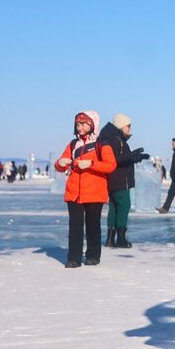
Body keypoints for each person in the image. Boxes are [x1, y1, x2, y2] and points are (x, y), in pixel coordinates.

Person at [55, 110, 116, 268]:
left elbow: (111, 165)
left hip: (94, 192)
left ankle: (93, 255)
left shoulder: (101, 144)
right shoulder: (73, 144)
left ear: (92, 125)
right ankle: (73, 258)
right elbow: (60, 165)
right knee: (75, 225)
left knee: (92, 225)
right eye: (77, 124)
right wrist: (60, 163)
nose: (79, 127)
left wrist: (91, 164)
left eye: (83, 124)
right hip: (74, 192)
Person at [99, 113, 149, 249]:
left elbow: (121, 158)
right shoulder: (116, 140)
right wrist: (132, 155)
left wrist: (136, 157)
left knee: (114, 207)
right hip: (120, 180)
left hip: (113, 179)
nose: (130, 129)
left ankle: (110, 238)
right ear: (121, 125)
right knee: (124, 206)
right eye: (128, 126)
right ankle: (120, 238)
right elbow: (115, 160)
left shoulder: (113, 138)